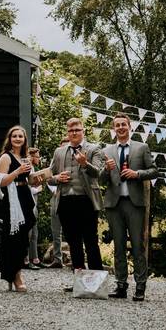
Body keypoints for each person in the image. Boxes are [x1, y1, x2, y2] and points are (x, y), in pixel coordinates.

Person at [101, 113, 158, 301]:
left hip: (135, 204)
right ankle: (121, 285)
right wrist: (106, 170)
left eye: (123, 124)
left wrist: (137, 174)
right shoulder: (107, 150)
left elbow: (154, 171)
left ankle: (140, 287)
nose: (120, 128)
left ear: (129, 126)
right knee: (118, 247)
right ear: (113, 129)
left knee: (137, 247)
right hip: (114, 204)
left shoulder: (141, 147)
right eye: (117, 125)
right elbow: (101, 180)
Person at [47, 118, 105, 285]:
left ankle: (96, 284)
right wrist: (56, 178)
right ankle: (79, 283)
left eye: (77, 130)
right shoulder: (59, 152)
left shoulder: (94, 149)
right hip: (65, 201)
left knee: (91, 241)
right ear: (67, 132)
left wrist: (85, 164)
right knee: (73, 242)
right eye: (71, 130)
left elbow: (99, 174)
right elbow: (49, 178)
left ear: (83, 131)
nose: (74, 133)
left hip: (86, 200)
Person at [0, 125, 37, 292]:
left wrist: (39, 178)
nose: (18, 139)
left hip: (25, 196)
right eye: (15, 136)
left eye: (20, 136)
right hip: (13, 201)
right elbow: (1, 182)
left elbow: (30, 179)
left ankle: (16, 272)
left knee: (23, 238)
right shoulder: (6, 157)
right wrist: (18, 171)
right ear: (10, 139)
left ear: (25, 139)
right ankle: (16, 275)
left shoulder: (26, 157)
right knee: (13, 239)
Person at [44, 136, 70, 269]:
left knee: (73, 229)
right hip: (56, 196)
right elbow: (48, 176)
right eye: (62, 146)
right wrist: (55, 186)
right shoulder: (56, 160)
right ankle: (57, 258)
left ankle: (76, 260)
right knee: (56, 229)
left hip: (71, 197)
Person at [25, 147, 43, 271]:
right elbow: (25, 187)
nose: (39, 158)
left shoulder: (33, 168)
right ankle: (25, 259)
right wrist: (38, 189)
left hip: (34, 203)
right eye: (37, 156)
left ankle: (35, 258)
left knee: (34, 232)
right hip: (29, 203)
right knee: (28, 232)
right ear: (31, 157)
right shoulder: (27, 168)